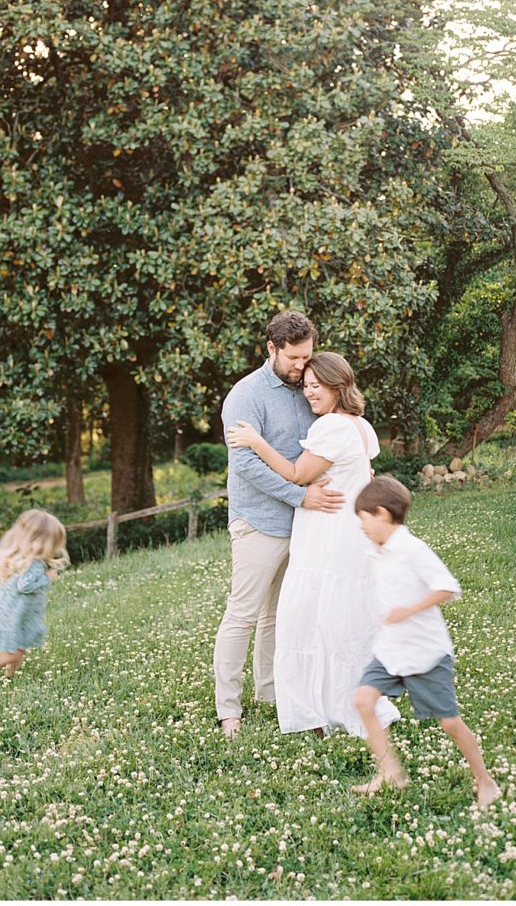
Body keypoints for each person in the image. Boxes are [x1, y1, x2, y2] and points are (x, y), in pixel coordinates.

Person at [227, 351, 399, 737]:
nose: (309, 394)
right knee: (338, 620)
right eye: (305, 386)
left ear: (338, 386)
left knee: (307, 621)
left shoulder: (331, 429)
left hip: (327, 534)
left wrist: (255, 440)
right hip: (347, 532)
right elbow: (364, 473)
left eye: (317, 386)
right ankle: (341, 698)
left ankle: (319, 707)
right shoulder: (361, 426)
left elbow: (295, 473)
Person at [214, 311, 345, 738]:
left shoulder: (310, 387)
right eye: (292, 357)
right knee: (243, 614)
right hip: (259, 520)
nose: (300, 365)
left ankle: (272, 694)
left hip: (307, 526)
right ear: (271, 349)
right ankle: (228, 710)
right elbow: (246, 465)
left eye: (306, 356)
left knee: (282, 616)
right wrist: (300, 495)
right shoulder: (245, 395)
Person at [349, 475, 501, 807]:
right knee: (362, 699)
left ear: (382, 515)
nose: (361, 528)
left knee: (449, 722)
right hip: (391, 650)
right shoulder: (379, 549)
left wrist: (409, 610)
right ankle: (390, 772)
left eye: (364, 520)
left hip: (425, 651)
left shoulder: (412, 549)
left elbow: (448, 587)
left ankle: (485, 780)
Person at [0, 509, 68, 683]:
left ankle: (11, 678)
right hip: (12, 620)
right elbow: (26, 585)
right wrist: (47, 577)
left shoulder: (16, 559)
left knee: (16, 649)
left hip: (8, 616)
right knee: (13, 654)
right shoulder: (34, 564)